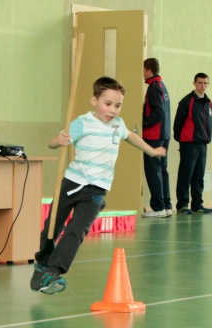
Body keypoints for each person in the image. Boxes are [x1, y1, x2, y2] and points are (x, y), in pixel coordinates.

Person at [30, 76, 166, 294]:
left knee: (76, 231)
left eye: (118, 105)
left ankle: (52, 272)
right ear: (94, 101)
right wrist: (59, 140)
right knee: (51, 229)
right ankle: (41, 265)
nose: (112, 110)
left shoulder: (117, 125)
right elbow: (52, 143)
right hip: (72, 184)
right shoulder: (82, 123)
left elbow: (130, 136)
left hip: (96, 190)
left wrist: (151, 151)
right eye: (108, 104)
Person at [173, 72, 212, 214]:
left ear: (208, 84)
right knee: (186, 175)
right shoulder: (187, 101)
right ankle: (182, 205)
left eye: (205, 83)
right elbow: (178, 124)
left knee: (199, 175)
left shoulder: (209, 103)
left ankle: (197, 204)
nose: (203, 86)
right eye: (200, 83)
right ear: (194, 83)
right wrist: (182, 141)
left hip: (202, 144)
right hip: (189, 144)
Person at [141, 58, 172, 218]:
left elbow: (158, 111)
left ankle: (158, 207)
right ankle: (166, 206)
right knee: (162, 170)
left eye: (143, 69)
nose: (142, 73)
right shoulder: (162, 86)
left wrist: (144, 123)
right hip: (165, 134)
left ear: (148, 70)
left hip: (154, 135)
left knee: (153, 170)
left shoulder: (154, 87)